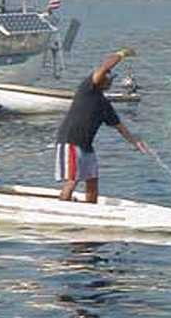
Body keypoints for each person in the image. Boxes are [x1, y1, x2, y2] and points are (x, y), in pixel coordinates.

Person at [55, 48, 149, 203]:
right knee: (72, 179)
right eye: (108, 78)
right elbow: (105, 67)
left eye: (111, 79)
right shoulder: (87, 89)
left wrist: (135, 142)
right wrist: (121, 55)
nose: (110, 80)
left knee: (92, 179)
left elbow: (120, 127)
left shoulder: (105, 105)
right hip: (70, 141)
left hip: (86, 146)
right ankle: (63, 206)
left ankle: (91, 208)